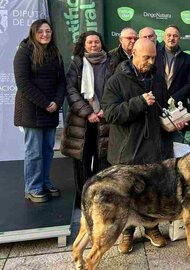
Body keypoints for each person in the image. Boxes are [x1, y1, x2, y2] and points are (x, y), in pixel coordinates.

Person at [101, 38, 183, 254]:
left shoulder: (157, 77)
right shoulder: (116, 80)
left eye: (153, 57)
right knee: (127, 195)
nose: (150, 61)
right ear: (133, 54)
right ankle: (127, 233)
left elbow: (162, 106)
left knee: (150, 193)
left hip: (153, 149)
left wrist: (172, 120)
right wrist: (138, 102)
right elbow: (110, 114)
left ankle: (151, 228)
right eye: (146, 57)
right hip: (126, 151)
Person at [13, 19, 66, 203]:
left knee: (47, 151)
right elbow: (23, 83)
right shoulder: (24, 52)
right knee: (34, 152)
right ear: (33, 33)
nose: (45, 34)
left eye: (48, 31)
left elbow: (62, 82)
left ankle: (44, 182)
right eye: (41, 31)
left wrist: (56, 102)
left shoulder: (55, 53)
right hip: (32, 110)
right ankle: (33, 187)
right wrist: (46, 103)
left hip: (50, 110)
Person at [60, 31, 115, 201]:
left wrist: (105, 109)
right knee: (82, 160)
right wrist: (88, 112)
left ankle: (99, 197)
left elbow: (116, 89)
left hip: (105, 120)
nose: (93, 45)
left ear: (101, 44)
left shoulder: (112, 63)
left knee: (102, 160)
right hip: (81, 121)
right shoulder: (77, 63)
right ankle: (82, 197)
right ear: (84, 45)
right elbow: (70, 90)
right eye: (90, 42)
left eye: (96, 42)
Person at [143, 25, 190, 142]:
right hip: (155, 107)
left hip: (177, 109)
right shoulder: (154, 55)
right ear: (163, 37)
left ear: (179, 38)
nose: (171, 38)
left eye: (175, 36)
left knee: (177, 148)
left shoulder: (188, 59)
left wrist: (173, 98)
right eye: (169, 35)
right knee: (155, 147)